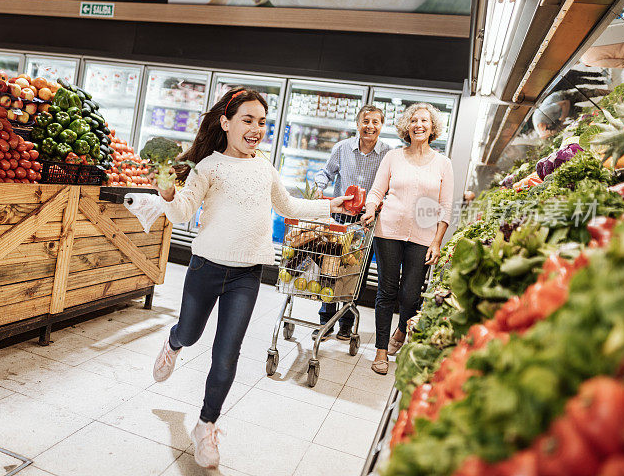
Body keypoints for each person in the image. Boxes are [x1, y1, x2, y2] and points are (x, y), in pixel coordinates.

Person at [149, 88, 351, 469]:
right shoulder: (208, 166)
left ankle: (206, 425)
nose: (257, 128)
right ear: (225, 123)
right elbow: (181, 212)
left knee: (227, 354)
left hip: (248, 273)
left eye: (262, 121)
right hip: (206, 267)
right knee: (191, 333)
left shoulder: (264, 167)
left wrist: (330, 206)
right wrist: (167, 194)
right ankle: (173, 343)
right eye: (248, 120)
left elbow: (288, 205)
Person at [360, 103, 454, 375]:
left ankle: (401, 330)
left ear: (432, 127)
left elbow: (446, 206)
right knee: (386, 292)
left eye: (424, 120)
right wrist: (370, 208)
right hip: (388, 230)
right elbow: (377, 191)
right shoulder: (393, 157)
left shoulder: (443, 163)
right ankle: (380, 350)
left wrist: (437, 241)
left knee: (410, 296)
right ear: (407, 127)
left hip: (423, 236)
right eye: (413, 120)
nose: (418, 125)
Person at [312, 105, 391, 340]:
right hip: (339, 219)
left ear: (381, 125)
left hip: (366, 223)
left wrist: (380, 203)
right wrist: (318, 187)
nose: (370, 126)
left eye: (375, 122)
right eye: (365, 121)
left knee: (356, 273)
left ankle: (346, 322)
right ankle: (325, 322)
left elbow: (391, 185)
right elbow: (325, 172)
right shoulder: (342, 148)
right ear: (358, 125)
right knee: (330, 268)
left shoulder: (388, 153)